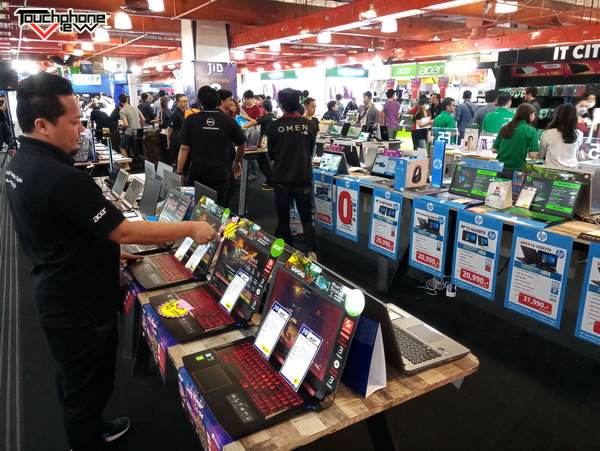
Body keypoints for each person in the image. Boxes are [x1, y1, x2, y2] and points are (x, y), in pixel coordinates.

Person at [5, 72, 219, 451]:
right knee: (86, 383)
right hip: (78, 301)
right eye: (74, 122)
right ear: (42, 124)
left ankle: (92, 428)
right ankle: (86, 441)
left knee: (77, 378)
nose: (81, 129)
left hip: (59, 286)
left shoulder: (20, 163)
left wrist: (104, 251)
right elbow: (123, 230)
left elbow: (57, 226)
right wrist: (190, 227)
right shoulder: (59, 177)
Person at [267, 88, 318, 260]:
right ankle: (311, 251)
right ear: (298, 103)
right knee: (306, 217)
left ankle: (288, 252)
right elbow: (310, 151)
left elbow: (271, 154)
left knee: (283, 218)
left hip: (281, 178)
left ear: (280, 104)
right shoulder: (310, 125)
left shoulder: (274, 126)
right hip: (303, 177)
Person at [176, 86, 246, 206]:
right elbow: (242, 143)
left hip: (198, 171)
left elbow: (184, 148)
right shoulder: (228, 120)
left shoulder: (191, 120)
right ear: (218, 101)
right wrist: (237, 161)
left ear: (200, 102)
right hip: (221, 172)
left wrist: (179, 172)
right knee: (220, 206)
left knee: (198, 206)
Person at [492, 103, 539, 179]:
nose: (534, 116)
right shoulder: (531, 130)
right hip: (517, 169)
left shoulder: (504, 127)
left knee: (500, 186)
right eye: (534, 114)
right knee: (515, 187)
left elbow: (494, 150)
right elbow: (532, 155)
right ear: (529, 115)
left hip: (500, 168)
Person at [242, 99, 275, 190]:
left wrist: (241, 127)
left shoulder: (267, 116)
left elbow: (254, 122)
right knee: (264, 162)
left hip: (266, 142)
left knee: (264, 162)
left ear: (264, 108)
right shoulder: (272, 116)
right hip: (270, 142)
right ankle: (270, 180)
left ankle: (272, 182)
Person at [538, 104, 582, 168]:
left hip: (550, 169)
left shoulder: (548, 133)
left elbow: (541, 155)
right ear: (575, 117)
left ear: (557, 116)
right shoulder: (579, 134)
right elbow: (576, 153)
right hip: (572, 169)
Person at [118, 93, 144, 160]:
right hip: (138, 132)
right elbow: (143, 119)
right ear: (127, 99)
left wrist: (121, 127)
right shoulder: (135, 108)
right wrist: (141, 127)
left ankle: (127, 164)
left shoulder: (122, 111)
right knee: (134, 147)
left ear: (120, 101)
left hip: (130, 132)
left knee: (121, 147)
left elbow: (126, 124)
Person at [167, 93, 188, 165]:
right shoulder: (175, 114)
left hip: (182, 139)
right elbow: (170, 129)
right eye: (182, 101)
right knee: (178, 159)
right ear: (177, 102)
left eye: (186, 101)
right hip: (176, 140)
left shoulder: (184, 112)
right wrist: (168, 141)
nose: (185, 103)